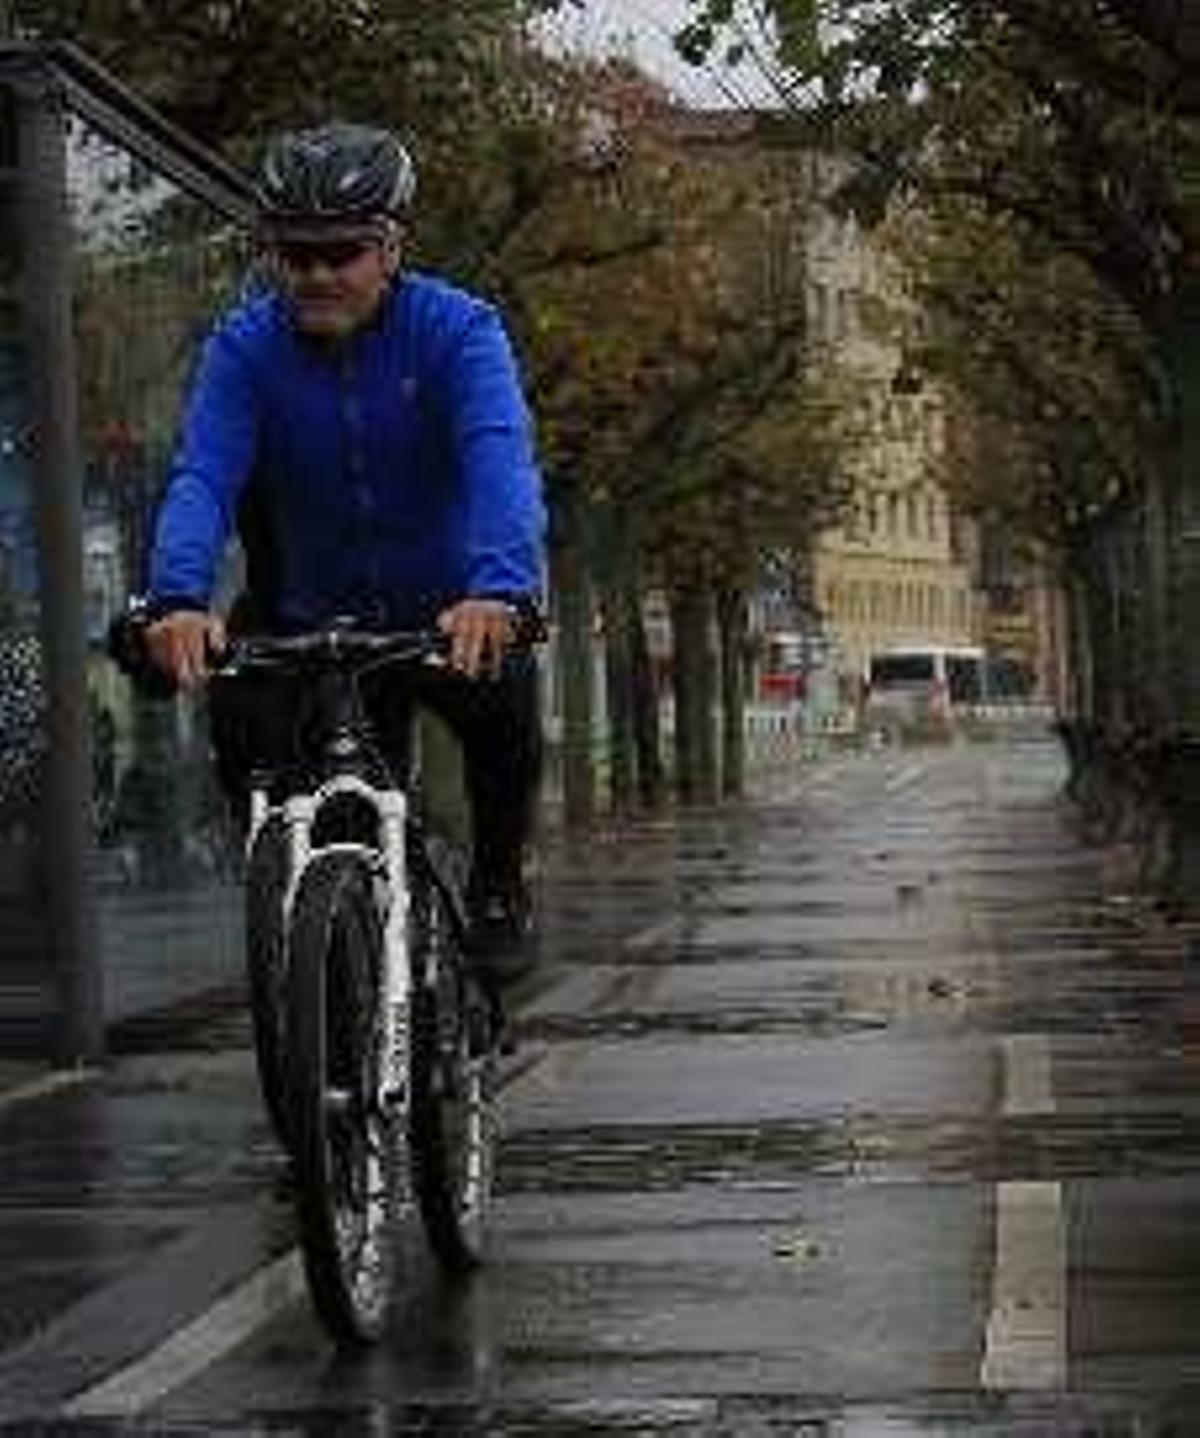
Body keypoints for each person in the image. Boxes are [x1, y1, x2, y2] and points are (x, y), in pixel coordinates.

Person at [138, 120, 547, 980]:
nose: (317, 274)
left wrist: (499, 589)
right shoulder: (246, 348)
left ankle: (502, 882)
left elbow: (500, 459)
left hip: (447, 612)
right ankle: (325, 953)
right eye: (296, 255)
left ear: (390, 247)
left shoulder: (459, 332)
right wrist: (176, 597)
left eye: (342, 253)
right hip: (313, 617)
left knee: (505, 709)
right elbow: (204, 475)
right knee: (270, 750)